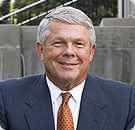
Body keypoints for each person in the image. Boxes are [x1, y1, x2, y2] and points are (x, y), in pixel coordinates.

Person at [0, 6, 135, 130]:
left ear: (91, 52)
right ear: (41, 50)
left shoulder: (125, 101)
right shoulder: (6, 98)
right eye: (59, 43)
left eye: (79, 44)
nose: (69, 52)